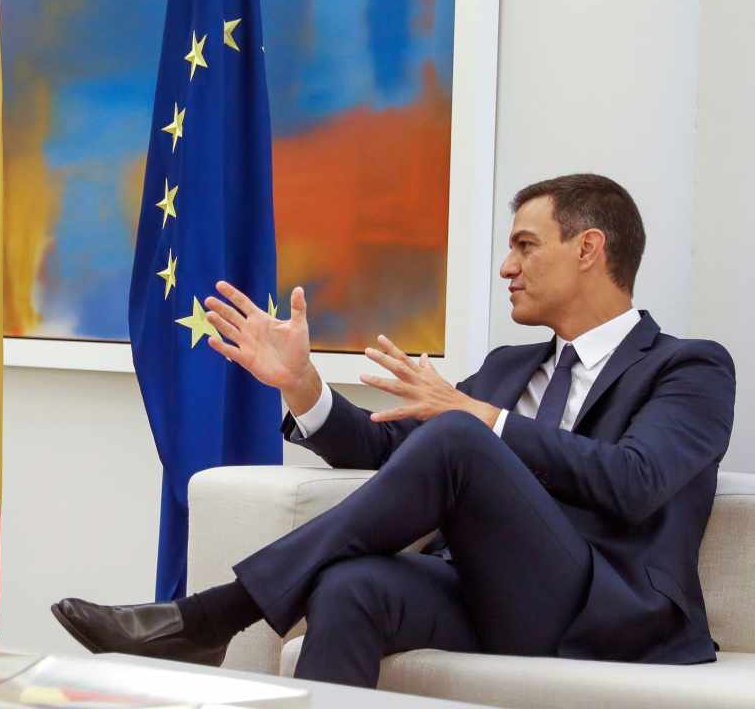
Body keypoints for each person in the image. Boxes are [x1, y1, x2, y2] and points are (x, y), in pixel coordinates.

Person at [53, 174, 736, 686]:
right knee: (351, 588)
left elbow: (636, 482)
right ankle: (212, 626)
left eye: (525, 246)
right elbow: (396, 454)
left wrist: (481, 420)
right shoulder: (508, 367)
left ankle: (212, 615)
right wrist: (304, 386)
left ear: (589, 249)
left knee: (461, 437)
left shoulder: (689, 368)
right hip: (485, 593)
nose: (507, 267)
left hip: (604, 613)